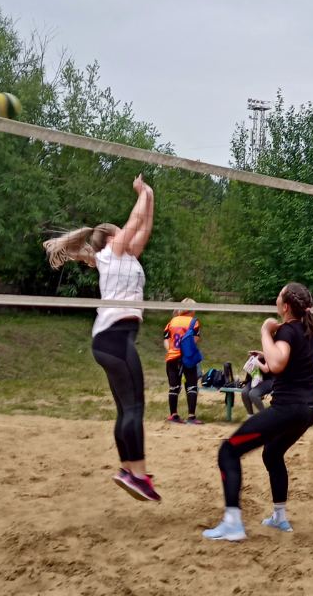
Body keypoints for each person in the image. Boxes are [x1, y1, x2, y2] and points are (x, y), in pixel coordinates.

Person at [43, 175, 160, 503]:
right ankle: (139, 476)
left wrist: (150, 196)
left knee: (126, 408)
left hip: (111, 340)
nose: (128, 233)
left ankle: (127, 470)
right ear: (111, 238)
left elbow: (145, 225)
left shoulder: (127, 257)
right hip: (115, 338)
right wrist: (141, 192)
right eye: (122, 231)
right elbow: (136, 219)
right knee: (134, 407)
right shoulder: (112, 253)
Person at [204, 283, 313, 541]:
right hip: (310, 408)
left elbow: (279, 363)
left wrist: (265, 333)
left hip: (289, 408)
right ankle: (279, 517)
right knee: (272, 453)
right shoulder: (309, 330)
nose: (276, 298)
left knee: (228, 451)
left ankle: (232, 523)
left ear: (285, 306)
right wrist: (267, 357)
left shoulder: (286, 330)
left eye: (279, 295)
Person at [161, 298, 203, 425]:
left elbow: (166, 340)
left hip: (172, 357)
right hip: (187, 357)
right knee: (191, 385)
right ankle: (191, 416)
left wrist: (172, 350)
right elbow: (195, 340)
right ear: (192, 309)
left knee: (173, 387)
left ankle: (173, 415)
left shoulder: (171, 322)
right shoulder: (194, 322)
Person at [241, 351, 273, 415]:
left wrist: (259, 360)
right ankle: (250, 415)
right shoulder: (257, 357)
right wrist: (253, 359)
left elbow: (266, 370)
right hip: (255, 379)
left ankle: (265, 416)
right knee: (244, 392)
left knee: (253, 394)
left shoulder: (271, 356)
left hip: (269, 380)